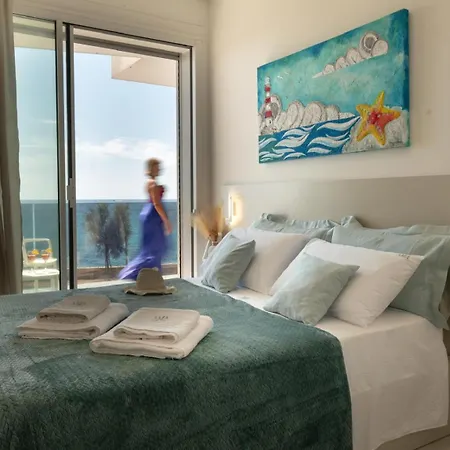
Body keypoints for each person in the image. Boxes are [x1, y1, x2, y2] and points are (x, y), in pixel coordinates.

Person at [118, 158, 172, 280]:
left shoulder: (150, 183)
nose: (159, 169)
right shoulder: (152, 183)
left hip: (150, 214)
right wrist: (166, 221)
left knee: (153, 249)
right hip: (153, 215)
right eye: (157, 167)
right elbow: (157, 203)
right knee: (154, 249)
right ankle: (130, 274)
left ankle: (153, 277)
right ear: (152, 169)